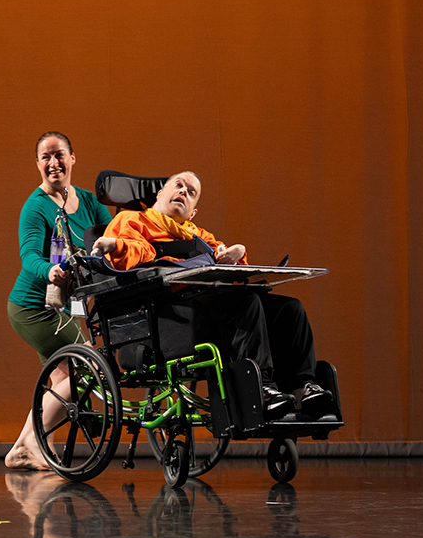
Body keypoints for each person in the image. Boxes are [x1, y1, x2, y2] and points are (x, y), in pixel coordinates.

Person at [91, 171, 333, 418]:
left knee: (289, 308)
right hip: (162, 310)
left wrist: (237, 255)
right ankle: (262, 389)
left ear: (193, 212)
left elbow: (224, 262)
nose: (184, 192)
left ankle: (303, 388)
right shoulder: (132, 220)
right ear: (161, 194)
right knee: (244, 304)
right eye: (179, 185)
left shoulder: (199, 236)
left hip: (206, 302)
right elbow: (135, 252)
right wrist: (115, 245)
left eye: (191, 192)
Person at [4, 132, 113, 470]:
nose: (54, 163)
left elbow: (112, 234)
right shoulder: (35, 207)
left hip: (65, 308)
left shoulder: (89, 202)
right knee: (89, 367)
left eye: (59, 154)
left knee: (62, 377)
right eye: (46, 157)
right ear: (38, 164)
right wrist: (50, 271)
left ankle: (28, 449)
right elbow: (29, 258)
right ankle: (30, 442)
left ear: (72, 158)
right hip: (33, 308)